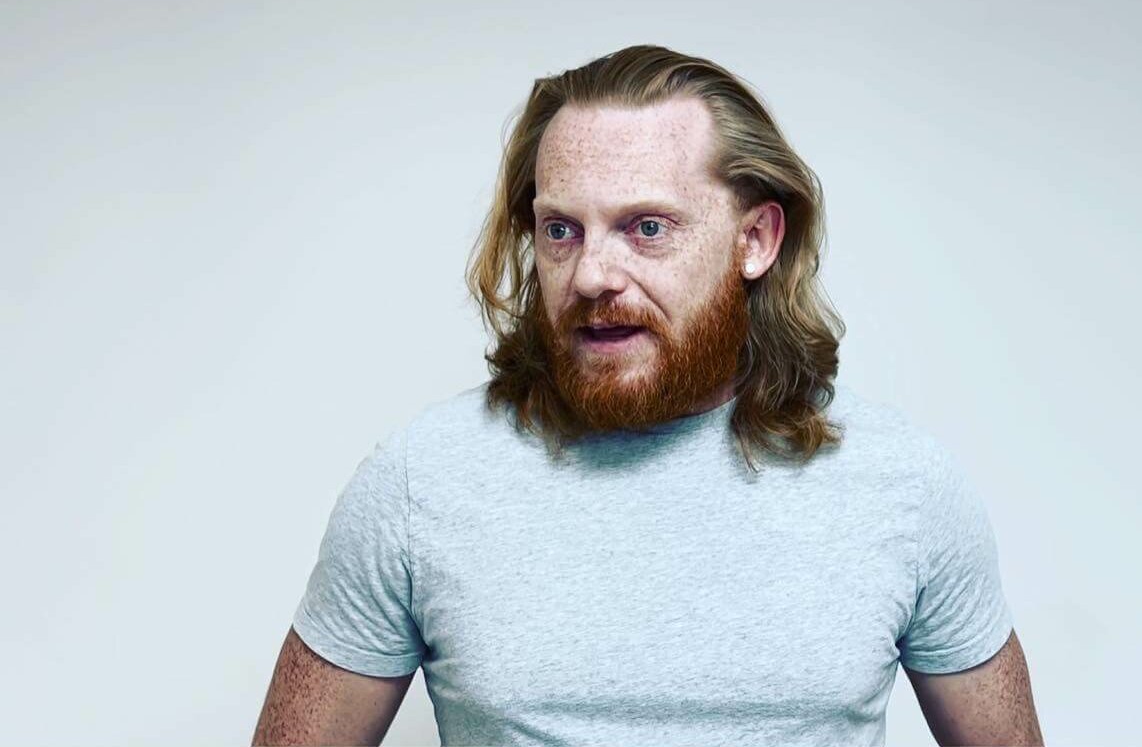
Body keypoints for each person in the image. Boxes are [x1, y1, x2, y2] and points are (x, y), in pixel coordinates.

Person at [253, 44, 1042, 747]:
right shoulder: (416, 486)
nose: (591, 274)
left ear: (756, 240)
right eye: (561, 230)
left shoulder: (906, 488)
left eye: (647, 228)